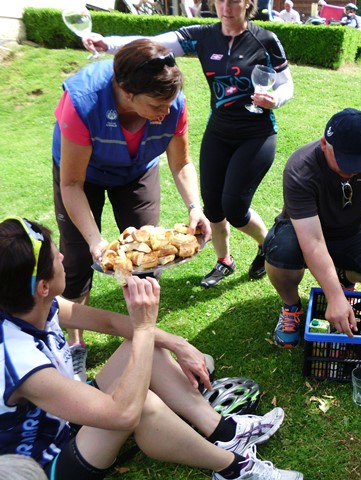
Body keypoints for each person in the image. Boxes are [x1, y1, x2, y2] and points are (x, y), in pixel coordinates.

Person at [0, 217, 302, 479]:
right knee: (140, 401)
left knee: (146, 349)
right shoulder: (20, 361)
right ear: (42, 286)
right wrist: (145, 328)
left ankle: (224, 433)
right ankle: (234, 469)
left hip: (68, 420)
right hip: (48, 467)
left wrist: (176, 343)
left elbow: (108, 323)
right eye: (56, 258)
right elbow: (123, 415)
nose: (64, 258)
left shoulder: (35, 304)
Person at [84, 0, 294, 290]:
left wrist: (276, 99)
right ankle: (224, 261)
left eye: (234, 1)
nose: (226, 7)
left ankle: (265, 245)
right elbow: (152, 44)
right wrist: (106, 43)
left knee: (234, 208)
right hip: (219, 132)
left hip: (256, 135)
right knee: (212, 208)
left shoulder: (265, 40)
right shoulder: (204, 36)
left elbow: (286, 85)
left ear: (247, 4)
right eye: (220, 0)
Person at [52, 39, 212, 383]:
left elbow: (181, 161)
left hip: (137, 169)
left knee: (146, 260)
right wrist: (96, 241)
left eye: (170, 103)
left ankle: (146, 341)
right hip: (83, 177)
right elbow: (71, 185)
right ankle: (75, 346)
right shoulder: (82, 101)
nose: (165, 112)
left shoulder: (171, 101)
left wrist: (195, 207)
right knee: (79, 258)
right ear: (126, 91)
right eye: (157, 104)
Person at [263, 109, 361, 349]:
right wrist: (334, 296)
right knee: (280, 251)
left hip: (349, 233)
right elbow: (313, 242)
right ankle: (291, 307)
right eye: (346, 163)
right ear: (324, 144)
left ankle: (343, 275)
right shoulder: (300, 167)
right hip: (302, 234)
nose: (353, 171)